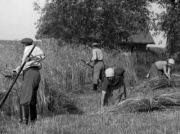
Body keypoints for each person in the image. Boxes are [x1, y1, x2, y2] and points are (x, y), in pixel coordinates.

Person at [13, 38, 45, 125]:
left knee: (25, 98)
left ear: (24, 44)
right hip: (30, 73)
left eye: (23, 44)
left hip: (31, 73)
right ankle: (33, 121)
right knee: (30, 98)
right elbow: (24, 65)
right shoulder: (28, 50)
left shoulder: (32, 49)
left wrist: (31, 58)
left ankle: (25, 122)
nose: (22, 46)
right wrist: (16, 71)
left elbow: (42, 56)